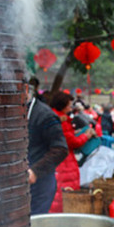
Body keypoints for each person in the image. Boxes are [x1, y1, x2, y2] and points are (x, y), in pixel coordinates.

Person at [44, 90, 96, 212]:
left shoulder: (54, 117)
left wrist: (77, 133)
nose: (70, 108)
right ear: (61, 105)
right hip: (64, 163)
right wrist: (86, 135)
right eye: (68, 105)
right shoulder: (61, 121)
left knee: (57, 194)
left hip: (58, 161)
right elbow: (72, 142)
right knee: (64, 195)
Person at [25, 79, 68, 215]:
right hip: (17, 184)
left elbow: (60, 149)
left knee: (33, 225)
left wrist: (35, 171)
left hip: (40, 183)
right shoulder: (13, 112)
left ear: (26, 89)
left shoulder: (45, 115)